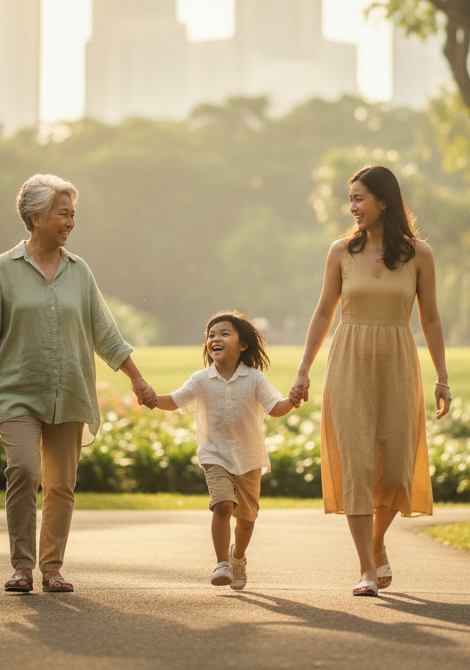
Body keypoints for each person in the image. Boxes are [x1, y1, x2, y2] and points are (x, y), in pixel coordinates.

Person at [0, 173, 157, 593]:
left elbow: (106, 333)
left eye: (73, 214)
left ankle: (51, 568)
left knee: (61, 484)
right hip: (15, 390)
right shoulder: (3, 269)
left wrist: (137, 380)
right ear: (35, 217)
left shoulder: (78, 271)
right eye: (62, 213)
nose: (69, 222)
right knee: (24, 470)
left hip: (68, 390)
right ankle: (21, 566)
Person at [289, 164, 451, 597]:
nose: (353, 207)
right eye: (351, 199)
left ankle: (377, 541)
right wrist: (304, 369)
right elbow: (323, 312)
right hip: (348, 362)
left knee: (397, 469)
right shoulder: (341, 251)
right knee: (357, 464)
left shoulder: (419, 254)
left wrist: (443, 377)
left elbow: (430, 317)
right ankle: (365, 567)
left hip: (399, 361)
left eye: (360, 198)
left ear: (384, 200)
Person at [153, 311, 297, 590]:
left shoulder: (254, 379)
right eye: (211, 335)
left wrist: (292, 399)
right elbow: (174, 401)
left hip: (249, 458)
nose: (215, 339)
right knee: (222, 506)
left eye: (224, 334)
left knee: (245, 519)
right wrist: (150, 398)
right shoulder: (201, 379)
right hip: (214, 455)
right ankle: (221, 563)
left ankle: (237, 557)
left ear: (243, 345)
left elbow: (275, 408)